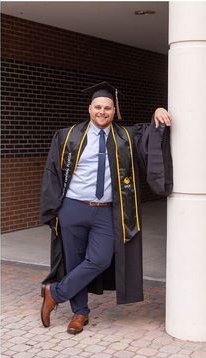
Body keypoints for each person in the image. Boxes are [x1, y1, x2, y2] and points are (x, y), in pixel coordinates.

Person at [40, 81, 173, 335]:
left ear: (115, 111)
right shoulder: (67, 136)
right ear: (89, 109)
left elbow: (150, 137)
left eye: (108, 108)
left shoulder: (125, 137)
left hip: (105, 211)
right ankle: (80, 313)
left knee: (99, 259)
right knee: (75, 260)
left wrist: (157, 113)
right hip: (73, 207)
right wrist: (54, 210)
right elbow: (52, 175)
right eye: (98, 107)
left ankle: (54, 292)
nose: (103, 112)